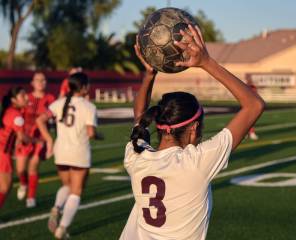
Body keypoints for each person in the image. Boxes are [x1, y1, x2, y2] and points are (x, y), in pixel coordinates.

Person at [119, 25, 265, 240]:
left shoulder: (137, 156)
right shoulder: (195, 163)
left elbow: (139, 116)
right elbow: (254, 105)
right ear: (194, 128)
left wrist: (149, 75)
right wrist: (206, 62)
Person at [37, 72, 101, 239]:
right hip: (78, 153)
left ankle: (57, 207)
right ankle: (62, 228)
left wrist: (49, 140)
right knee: (76, 191)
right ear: (85, 87)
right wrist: (98, 135)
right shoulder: (89, 107)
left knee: (67, 185)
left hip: (61, 152)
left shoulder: (59, 103)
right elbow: (91, 133)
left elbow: (40, 120)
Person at [15, 72, 55, 208]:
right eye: (37, 80)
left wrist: (50, 141)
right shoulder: (26, 97)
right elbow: (18, 116)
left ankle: (31, 197)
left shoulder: (50, 98)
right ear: (32, 82)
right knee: (20, 169)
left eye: (43, 80)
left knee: (33, 165)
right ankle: (23, 184)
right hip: (25, 137)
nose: (41, 82)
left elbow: (53, 116)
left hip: (41, 138)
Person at [0, 87, 34, 210]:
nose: (26, 97)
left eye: (26, 95)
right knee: (5, 187)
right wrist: (38, 141)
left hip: (3, 151)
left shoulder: (9, 111)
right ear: (14, 99)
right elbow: (22, 137)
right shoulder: (16, 115)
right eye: (23, 96)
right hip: (3, 153)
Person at [245, 75, 259, 140]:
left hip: (252, 105)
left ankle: (251, 133)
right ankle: (246, 133)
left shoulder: (253, 87)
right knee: (245, 120)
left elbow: (256, 95)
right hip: (246, 105)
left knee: (252, 120)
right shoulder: (244, 87)